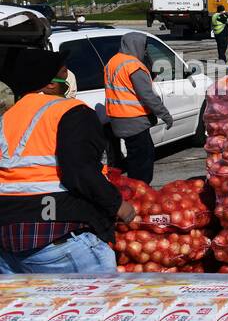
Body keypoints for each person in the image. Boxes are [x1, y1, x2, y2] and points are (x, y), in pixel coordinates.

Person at [0, 58, 131, 273]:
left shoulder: (7, 117)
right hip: (54, 235)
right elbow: (80, 170)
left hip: (7, 242)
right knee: (97, 303)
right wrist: (116, 204)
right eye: (64, 72)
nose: (68, 77)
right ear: (50, 84)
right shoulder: (70, 111)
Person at [103, 33, 173, 184]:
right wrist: (165, 115)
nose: (145, 50)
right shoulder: (133, 65)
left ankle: (135, 189)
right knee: (142, 161)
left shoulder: (113, 61)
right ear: (136, 45)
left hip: (117, 119)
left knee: (135, 156)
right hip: (134, 121)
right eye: (144, 46)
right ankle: (140, 192)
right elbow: (147, 95)